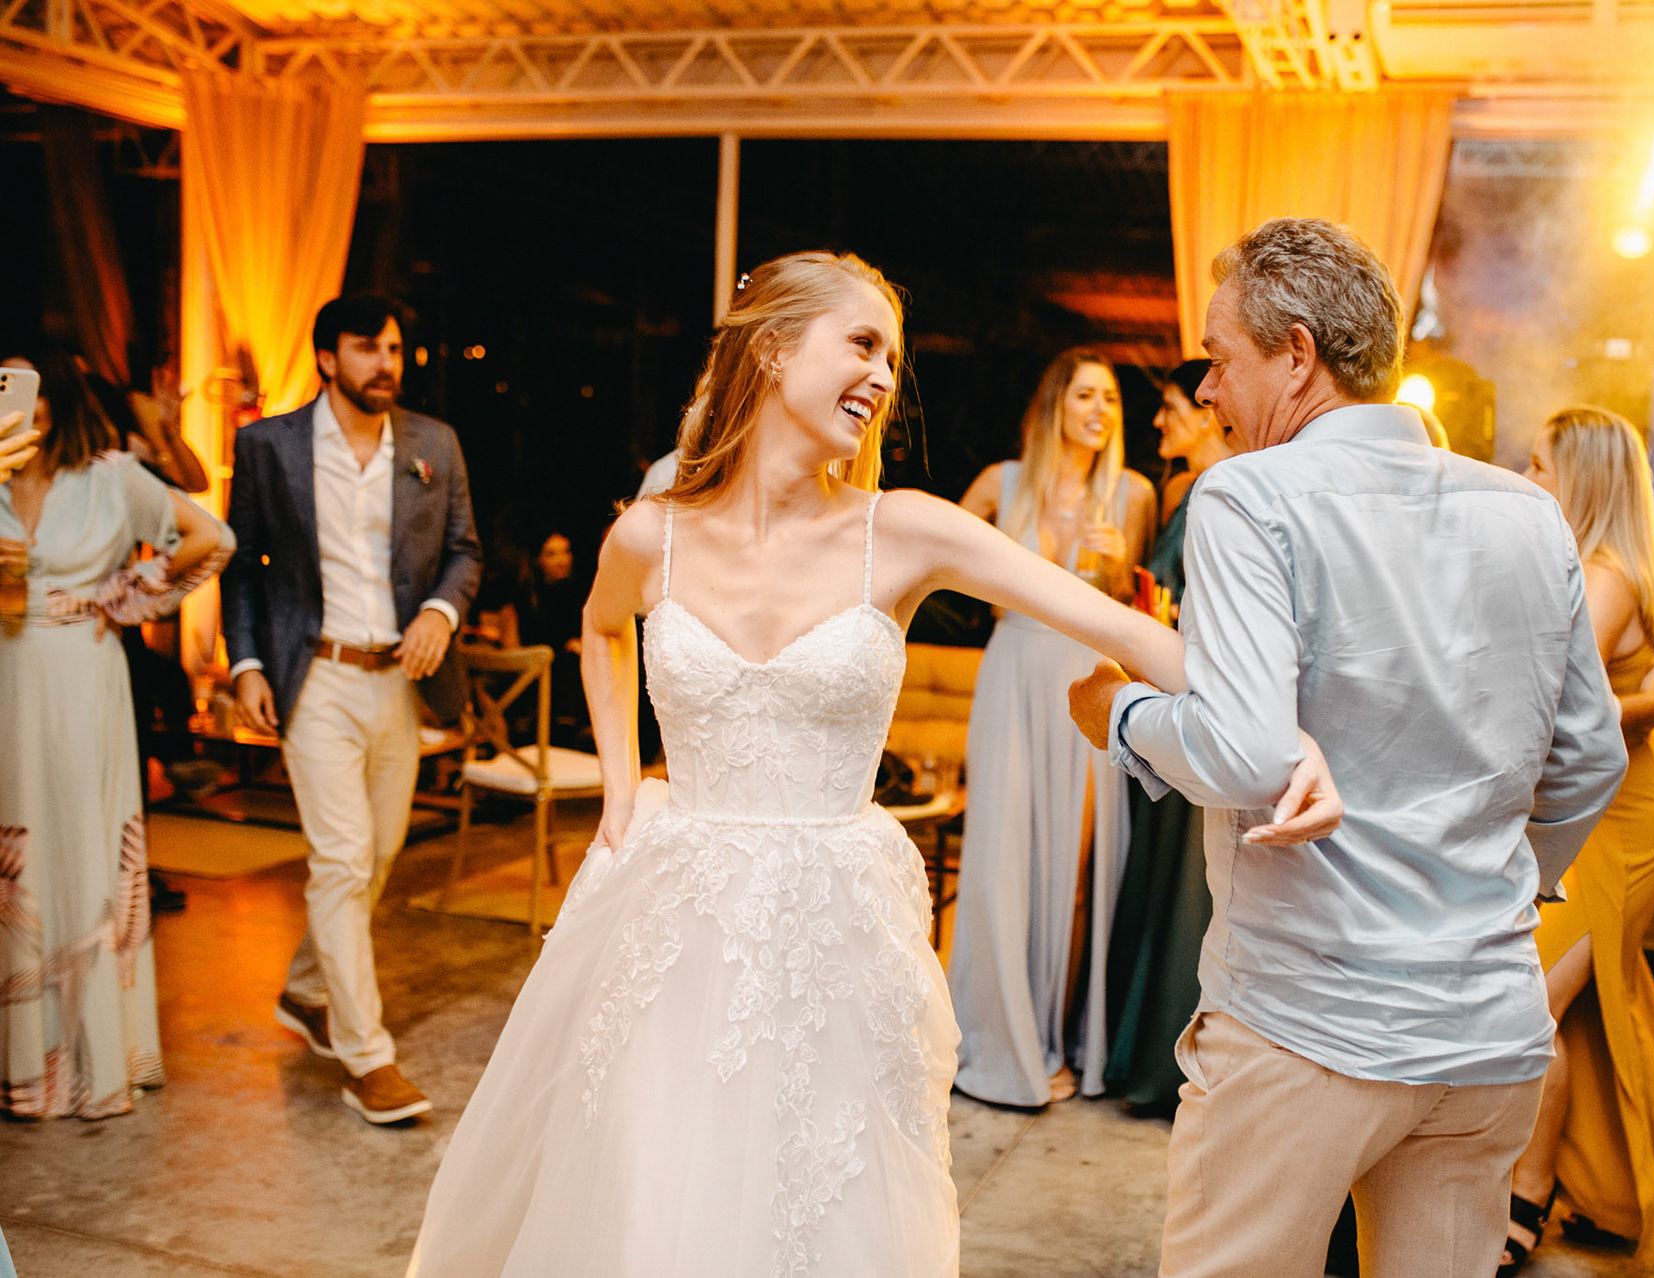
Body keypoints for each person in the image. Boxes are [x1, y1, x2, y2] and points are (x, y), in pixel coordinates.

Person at [404, 250, 1312, 1277]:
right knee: (653, 1190)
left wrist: (1283, 734)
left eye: (892, 357)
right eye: (863, 345)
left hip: (829, 926)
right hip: (671, 918)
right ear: (775, 348)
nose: (884, 377)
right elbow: (599, 630)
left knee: (817, 1203)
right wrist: (622, 787)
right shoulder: (650, 537)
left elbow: (1129, 632)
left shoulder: (906, 531)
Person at [1068, 217, 1628, 1278]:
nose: (1205, 391)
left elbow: (1243, 752)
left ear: (1296, 354)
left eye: (1219, 358)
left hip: (1309, 1028)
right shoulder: (1529, 514)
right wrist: (1495, 887)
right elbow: (1592, 757)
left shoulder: (1247, 495)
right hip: (1486, 1034)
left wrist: (1121, 715)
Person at [223, 294, 481, 1126]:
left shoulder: (433, 443)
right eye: (369, 348)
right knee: (342, 859)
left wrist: (439, 613)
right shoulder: (269, 446)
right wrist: (247, 663)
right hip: (318, 677)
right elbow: (245, 566)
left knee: (377, 856)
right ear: (328, 358)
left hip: (398, 678)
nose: (386, 363)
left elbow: (463, 551)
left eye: (395, 349)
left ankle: (305, 989)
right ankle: (368, 1057)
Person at [1501, 407, 1654, 1273]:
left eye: (1538, 465)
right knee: (1594, 1011)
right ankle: (1633, 1181)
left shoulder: (1606, 578)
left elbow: (1554, 715)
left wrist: (1641, 706)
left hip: (1622, 825)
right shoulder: (1587, 565)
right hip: (1595, 813)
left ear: (1584, 479)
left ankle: (1526, 1197)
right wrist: (1649, 701)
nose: (1525, 478)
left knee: (1528, 1007)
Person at [0, 348, 232, 1120]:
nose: (19, 406)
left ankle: (91, 1060)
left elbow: (209, 537)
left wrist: (125, 596)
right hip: (4, 671)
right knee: (12, 857)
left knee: (83, 843)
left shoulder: (110, 477)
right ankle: (17, 1064)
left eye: (31, 389)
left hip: (81, 675)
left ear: (60, 396)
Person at [948, 349, 1156, 1107]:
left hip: (1088, 677)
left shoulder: (1131, 494)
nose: (1101, 411)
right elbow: (937, 565)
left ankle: (1062, 1039)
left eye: (1111, 400)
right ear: (1055, 405)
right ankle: (997, 1038)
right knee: (1000, 858)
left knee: (1076, 868)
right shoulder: (998, 485)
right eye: (1087, 395)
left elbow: (1139, 607)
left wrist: (1121, 568)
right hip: (1013, 671)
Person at [1102, 359, 1233, 1113]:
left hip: (1190, 701)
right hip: (1155, 690)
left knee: (1189, 890)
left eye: (1173, 406)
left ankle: (1169, 1061)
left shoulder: (1228, 488)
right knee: (1156, 879)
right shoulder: (1184, 490)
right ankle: (1136, 1052)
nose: (1159, 421)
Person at [500, 531, 590, 746]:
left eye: (565, 552)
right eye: (551, 554)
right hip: (533, 669)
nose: (561, 560)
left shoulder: (580, 592)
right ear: (538, 559)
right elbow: (512, 646)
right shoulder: (524, 595)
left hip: (569, 671)